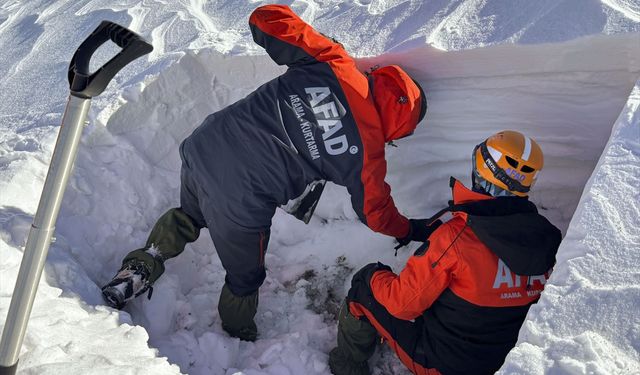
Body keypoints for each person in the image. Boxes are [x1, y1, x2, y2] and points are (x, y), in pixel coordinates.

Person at [101, 4, 429, 342]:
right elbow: (376, 214)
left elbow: (264, 19)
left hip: (207, 144)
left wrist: (324, 44)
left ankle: (142, 264)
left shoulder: (334, 64)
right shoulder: (367, 154)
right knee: (245, 278)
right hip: (242, 195)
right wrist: (410, 228)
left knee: (191, 212)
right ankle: (235, 336)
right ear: (397, 129)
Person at [329, 130, 562, 375]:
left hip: (444, 365)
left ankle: (346, 366)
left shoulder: (455, 239)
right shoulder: (548, 238)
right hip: (507, 361)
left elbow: (402, 304)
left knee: (363, 288)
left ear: (482, 170)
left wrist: (377, 276)